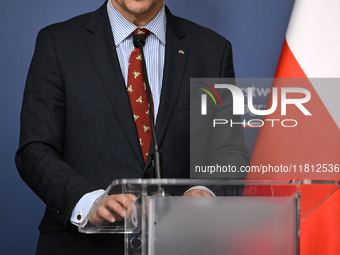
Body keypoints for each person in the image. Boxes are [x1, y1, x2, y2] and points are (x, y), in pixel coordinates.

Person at [15, 0, 249, 254]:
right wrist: (88, 202)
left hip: (183, 243)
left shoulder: (213, 49)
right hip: (81, 245)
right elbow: (35, 149)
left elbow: (230, 151)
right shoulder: (57, 42)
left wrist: (204, 190)